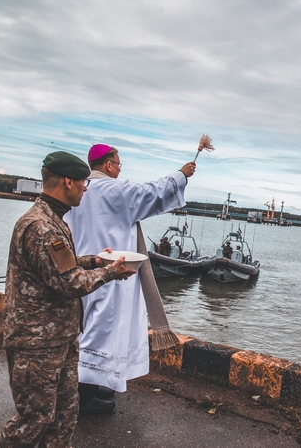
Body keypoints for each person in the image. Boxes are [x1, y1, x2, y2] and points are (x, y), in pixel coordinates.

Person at [0, 151, 135, 448]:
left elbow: (62, 266)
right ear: (68, 181)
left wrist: (94, 260)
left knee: (64, 416)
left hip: (59, 339)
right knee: (35, 420)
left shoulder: (54, 219)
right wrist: (110, 272)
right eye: (83, 182)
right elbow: (68, 282)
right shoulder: (41, 227)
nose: (85, 188)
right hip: (36, 343)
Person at [65, 143, 195, 414]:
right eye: (119, 164)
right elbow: (152, 192)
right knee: (102, 332)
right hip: (112, 272)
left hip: (81, 268)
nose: (119, 169)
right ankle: (82, 398)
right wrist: (181, 175)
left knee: (83, 328)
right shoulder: (114, 190)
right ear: (109, 165)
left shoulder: (79, 190)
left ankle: (87, 388)